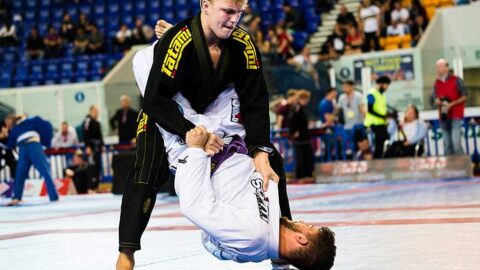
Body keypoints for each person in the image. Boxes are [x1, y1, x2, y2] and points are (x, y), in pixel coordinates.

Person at [117, 1, 292, 268]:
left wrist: (259, 150)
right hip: (166, 109)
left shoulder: (243, 44)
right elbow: (153, 100)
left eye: (240, 13)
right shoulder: (178, 42)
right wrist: (190, 134)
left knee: (272, 160)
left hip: (214, 109)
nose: (235, 20)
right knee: (146, 170)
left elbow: (255, 100)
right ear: (206, 5)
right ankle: (126, 255)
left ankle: (282, 247)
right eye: (228, 12)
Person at [176, 125, 336, 269]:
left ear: (301, 238)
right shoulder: (269, 232)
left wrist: (196, 150)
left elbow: (194, 206)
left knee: (155, 101)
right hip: (232, 140)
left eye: (308, 227)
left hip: (206, 145)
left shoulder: (252, 236)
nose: (302, 222)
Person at [6, 114, 59, 206]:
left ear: (11, 119)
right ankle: (16, 197)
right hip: (23, 148)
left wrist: (46, 142)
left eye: (7, 122)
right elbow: (10, 145)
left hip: (33, 145)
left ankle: (54, 196)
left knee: (44, 170)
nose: (6, 124)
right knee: (20, 173)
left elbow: (46, 125)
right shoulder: (14, 129)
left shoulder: (31, 119)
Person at [432, 59, 466, 155]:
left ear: (447, 67)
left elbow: (464, 96)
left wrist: (452, 104)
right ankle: (450, 168)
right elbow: (434, 98)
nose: (439, 69)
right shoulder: (436, 83)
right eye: (437, 67)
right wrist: (437, 101)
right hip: (443, 115)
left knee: (456, 143)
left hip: (455, 114)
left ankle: (462, 166)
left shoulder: (456, 80)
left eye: (441, 66)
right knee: (447, 144)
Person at [288, 90, 314, 180]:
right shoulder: (297, 107)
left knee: (305, 155)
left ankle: (307, 174)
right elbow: (292, 120)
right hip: (300, 136)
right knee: (301, 156)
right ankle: (301, 175)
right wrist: (295, 131)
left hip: (304, 134)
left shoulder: (301, 107)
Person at [364, 76, 391, 159]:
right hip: (373, 123)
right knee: (382, 142)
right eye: (386, 85)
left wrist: (387, 115)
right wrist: (382, 116)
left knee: (381, 143)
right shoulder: (371, 93)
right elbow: (370, 110)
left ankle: (378, 160)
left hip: (381, 123)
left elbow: (381, 109)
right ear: (381, 84)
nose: (387, 88)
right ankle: (377, 160)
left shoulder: (381, 95)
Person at [82, 105, 104, 191]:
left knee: (98, 167)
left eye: (97, 111)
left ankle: (96, 186)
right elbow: (85, 135)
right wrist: (87, 146)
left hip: (97, 148)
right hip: (91, 148)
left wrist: (102, 145)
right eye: (95, 111)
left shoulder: (97, 122)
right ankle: (91, 187)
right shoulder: (87, 121)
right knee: (92, 167)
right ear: (90, 111)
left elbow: (100, 135)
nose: (96, 113)